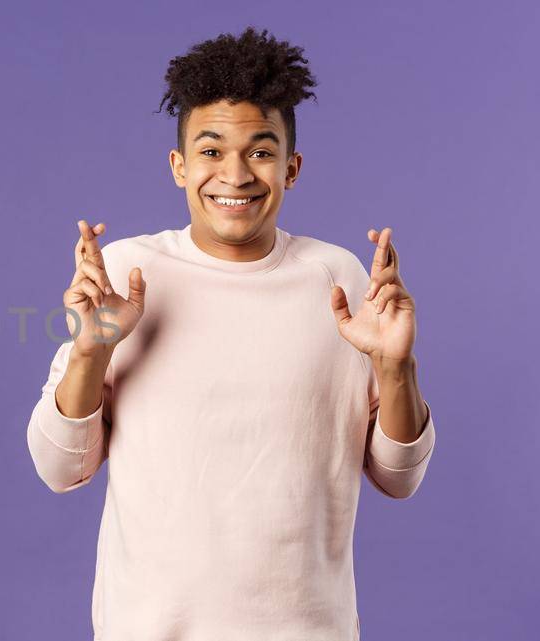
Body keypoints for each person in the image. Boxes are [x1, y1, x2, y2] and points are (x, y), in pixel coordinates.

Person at [25, 27, 436, 640]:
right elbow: (60, 470)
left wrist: (397, 368)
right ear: (179, 166)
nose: (236, 174)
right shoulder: (128, 274)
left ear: (291, 168)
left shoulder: (339, 280)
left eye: (261, 151)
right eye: (212, 151)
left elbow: (398, 478)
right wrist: (91, 351)